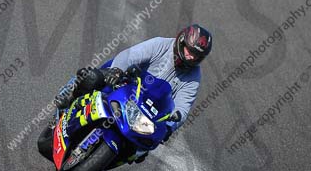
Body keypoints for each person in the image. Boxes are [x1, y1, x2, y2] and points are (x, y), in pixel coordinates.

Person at [53, 24, 213, 162]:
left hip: (145, 111)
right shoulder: (161, 44)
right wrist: (116, 71)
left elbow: (183, 107)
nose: (191, 57)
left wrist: (170, 126)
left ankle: (108, 158)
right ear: (181, 41)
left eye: (197, 56)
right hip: (123, 83)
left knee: (145, 147)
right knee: (92, 78)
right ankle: (68, 98)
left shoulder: (194, 76)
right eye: (189, 51)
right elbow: (130, 56)